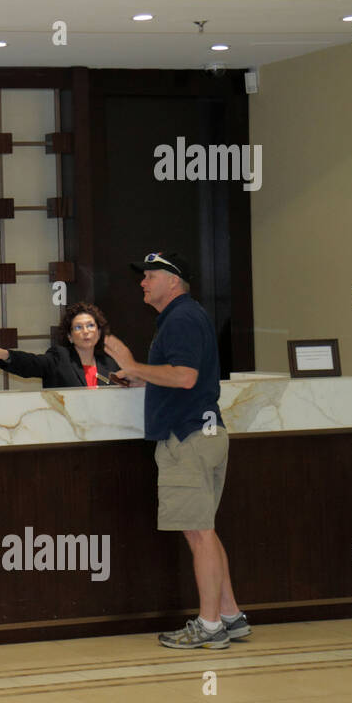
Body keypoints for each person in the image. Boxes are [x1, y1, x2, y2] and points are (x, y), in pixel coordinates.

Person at [102, 250, 248, 650]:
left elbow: (185, 377)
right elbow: (184, 378)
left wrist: (132, 365)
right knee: (205, 530)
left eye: (150, 276)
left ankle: (210, 625)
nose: (143, 283)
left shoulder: (181, 318)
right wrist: (141, 380)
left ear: (173, 281)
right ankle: (231, 615)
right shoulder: (186, 316)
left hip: (187, 439)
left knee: (199, 533)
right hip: (204, 433)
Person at [0, 302, 125, 388]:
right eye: (78, 327)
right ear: (70, 336)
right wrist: (6, 355)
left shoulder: (110, 362)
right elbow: (33, 363)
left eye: (91, 326)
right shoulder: (60, 357)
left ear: (99, 332)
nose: (86, 331)